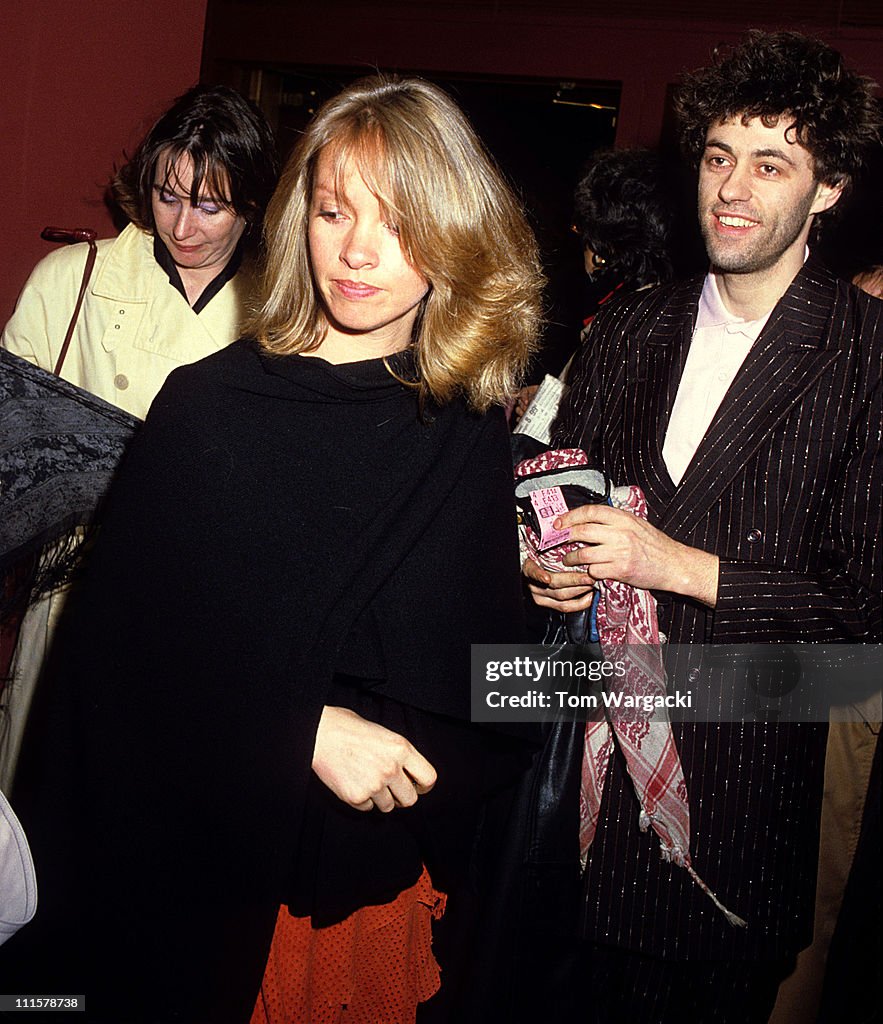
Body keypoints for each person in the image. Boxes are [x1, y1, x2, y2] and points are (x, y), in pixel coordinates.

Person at [2, 74, 544, 1024]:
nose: (358, 250)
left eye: (399, 220)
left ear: (455, 232)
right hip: (183, 883)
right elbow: (110, 678)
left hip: (349, 898)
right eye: (333, 211)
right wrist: (296, 726)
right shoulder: (208, 408)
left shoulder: (459, 429)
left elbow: (482, 696)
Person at [524, 30, 882, 1022]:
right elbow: (564, 484)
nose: (731, 186)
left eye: (771, 164)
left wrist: (675, 565)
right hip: (580, 803)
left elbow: (862, 618)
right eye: (719, 156)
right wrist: (548, 559)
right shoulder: (631, 327)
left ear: (828, 188)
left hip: (732, 822)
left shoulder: (863, 355)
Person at [0, 84, 278, 789]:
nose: (183, 226)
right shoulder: (73, 281)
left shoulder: (284, 313)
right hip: (75, 589)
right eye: (167, 195)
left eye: (210, 205)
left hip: (208, 602)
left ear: (251, 202)